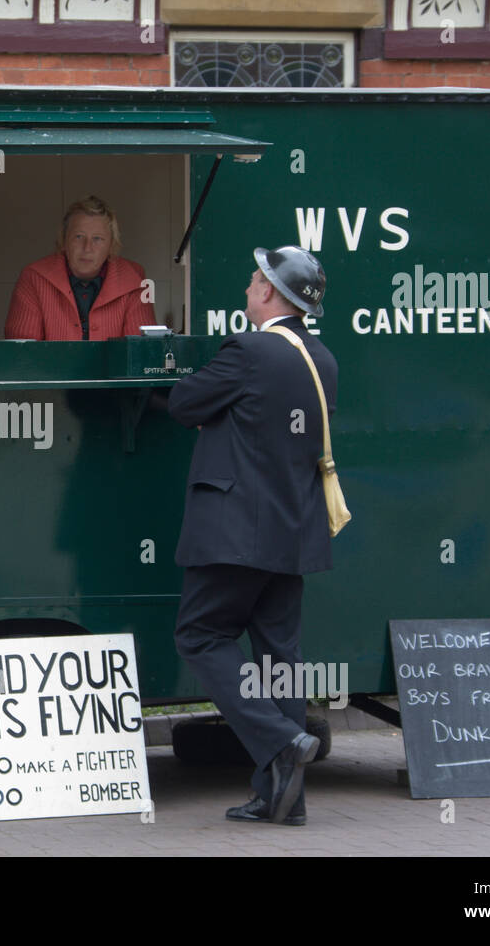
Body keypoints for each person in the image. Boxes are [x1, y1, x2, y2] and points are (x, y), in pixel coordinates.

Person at [169, 245, 337, 826]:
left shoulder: (250, 350)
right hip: (294, 530)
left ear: (269, 291)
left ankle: (280, 739)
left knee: (199, 636)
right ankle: (283, 801)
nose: (246, 291)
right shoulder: (323, 359)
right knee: (279, 660)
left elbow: (183, 401)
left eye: (250, 282)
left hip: (235, 527)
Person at [3, 196, 156, 341]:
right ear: (63, 241)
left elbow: (139, 353)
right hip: (52, 370)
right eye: (79, 237)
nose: (87, 248)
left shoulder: (134, 279)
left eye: (97, 238)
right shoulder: (34, 277)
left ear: (111, 245)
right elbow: (21, 354)